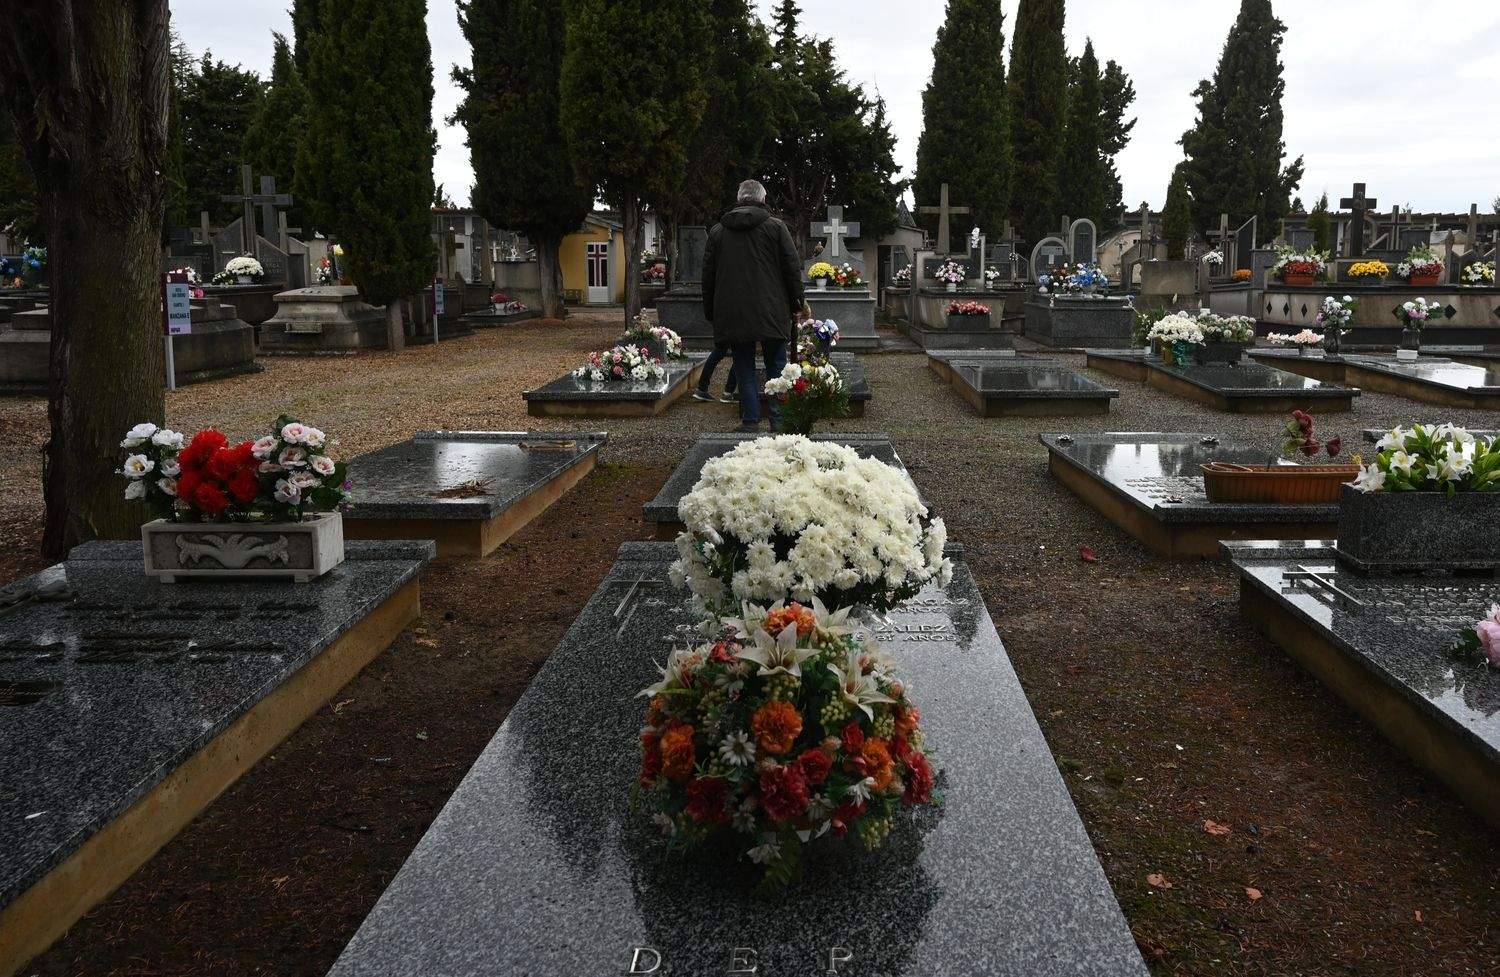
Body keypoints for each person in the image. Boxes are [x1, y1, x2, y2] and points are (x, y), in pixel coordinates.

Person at [701, 179, 805, 431]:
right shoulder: (776, 228)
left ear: (739, 199)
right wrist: (796, 304)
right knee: (776, 367)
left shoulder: (718, 232)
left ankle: (750, 420)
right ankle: (779, 422)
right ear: (762, 199)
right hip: (772, 309)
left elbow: (708, 276)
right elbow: (791, 269)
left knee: (744, 366)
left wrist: (711, 312)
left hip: (734, 312)